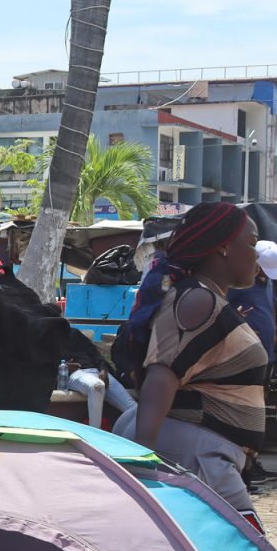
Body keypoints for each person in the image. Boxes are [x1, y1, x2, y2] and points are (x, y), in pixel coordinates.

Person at [114, 202, 266, 524]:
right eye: (251, 244)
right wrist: (142, 464)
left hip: (197, 451)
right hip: (195, 454)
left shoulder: (204, 296)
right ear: (224, 247)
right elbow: (162, 375)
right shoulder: (199, 299)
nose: (257, 255)